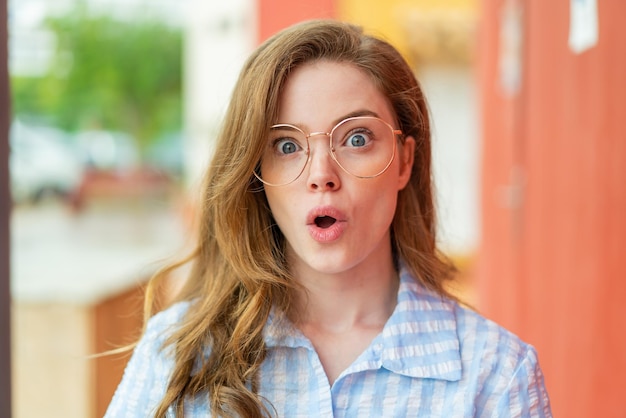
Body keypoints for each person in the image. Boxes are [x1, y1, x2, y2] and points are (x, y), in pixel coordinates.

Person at [105, 19, 552, 417]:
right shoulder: (177, 353)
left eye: (357, 138)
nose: (322, 176)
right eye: (286, 145)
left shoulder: (496, 375)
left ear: (403, 162)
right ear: (255, 173)